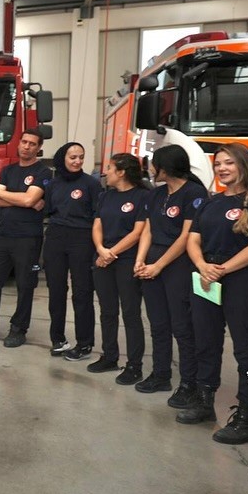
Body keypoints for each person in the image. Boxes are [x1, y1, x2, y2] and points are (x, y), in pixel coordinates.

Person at [177, 143, 248, 442]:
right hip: (206, 277)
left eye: (229, 163)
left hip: (240, 280)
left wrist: (219, 270)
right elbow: (192, 240)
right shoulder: (210, 203)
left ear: (244, 165)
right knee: (205, 342)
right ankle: (205, 401)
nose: (222, 168)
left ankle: (247, 417)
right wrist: (202, 265)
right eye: (218, 163)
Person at [133, 145, 208, 406]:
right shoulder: (156, 195)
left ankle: (189, 382)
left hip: (178, 264)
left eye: (155, 165)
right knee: (158, 323)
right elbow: (148, 230)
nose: (152, 170)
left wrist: (159, 265)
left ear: (165, 167)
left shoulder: (194, 193)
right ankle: (160, 373)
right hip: (153, 262)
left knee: (181, 326)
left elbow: (186, 236)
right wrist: (141, 260)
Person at [0, 130, 52, 345]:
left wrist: (11, 196)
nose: (27, 146)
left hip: (28, 237)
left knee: (25, 285)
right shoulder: (8, 170)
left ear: (38, 148)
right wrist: (24, 199)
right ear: (19, 144)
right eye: (24, 142)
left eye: (32, 144)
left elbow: (29, 200)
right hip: (3, 236)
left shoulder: (43, 172)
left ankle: (18, 329)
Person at [91, 153, 150, 382]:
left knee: (131, 313)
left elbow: (138, 233)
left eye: (110, 167)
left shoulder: (143, 196)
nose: (106, 171)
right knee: (107, 311)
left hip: (126, 261)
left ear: (122, 172)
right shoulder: (106, 196)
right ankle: (109, 356)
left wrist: (111, 253)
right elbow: (97, 225)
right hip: (103, 258)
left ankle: (134, 365)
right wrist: (101, 249)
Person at [42, 142, 102, 358]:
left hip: (82, 238)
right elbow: (48, 211)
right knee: (56, 290)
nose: (77, 161)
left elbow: (98, 215)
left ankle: (84, 343)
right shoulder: (53, 184)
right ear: (62, 158)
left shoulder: (91, 184)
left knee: (82, 292)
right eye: (72, 157)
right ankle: (58, 339)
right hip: (56, 237)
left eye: (81, 157)